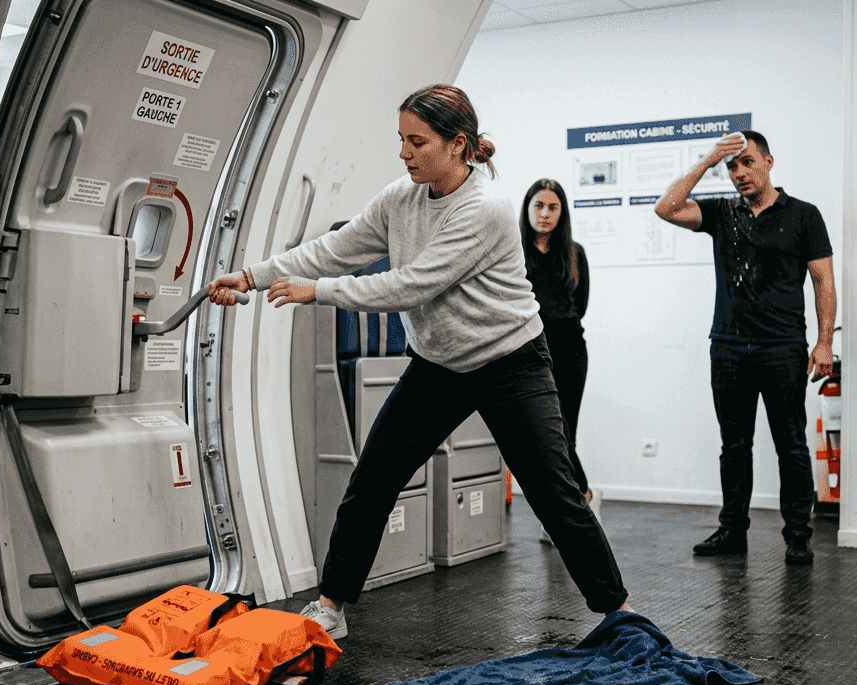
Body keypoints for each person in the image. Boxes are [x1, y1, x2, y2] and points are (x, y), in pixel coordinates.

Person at [209, 84, 632, 639]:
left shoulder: (486, 209)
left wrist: (316, 292)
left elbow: (412, 284)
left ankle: (618, 614)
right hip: (439, 366)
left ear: (459, 145)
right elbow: (336, 248)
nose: (404, 153)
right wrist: (253, 275)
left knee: (554, 492)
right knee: (373, 481)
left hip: (511, 363)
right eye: (401, 141)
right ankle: (331, 604)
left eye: (417, 141)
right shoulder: (399, 198)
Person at [653, 130, 836, 565]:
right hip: (729, 348)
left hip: (783, 348)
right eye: (731, 166)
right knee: (733, 445)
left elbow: (823, 281)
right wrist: (708, 159)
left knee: (790, 444)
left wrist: (824, 343)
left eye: (746, 162)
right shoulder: (720, 213)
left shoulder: (804, 215)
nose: (738, 173)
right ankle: (733, 529)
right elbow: (666, 208)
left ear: (768, 162)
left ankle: (797, 535)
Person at [518, 179, 601, 543]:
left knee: (567, 433)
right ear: (528, 209)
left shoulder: (574, 252)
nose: (545, 213)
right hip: (531, 352)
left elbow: (578, 307)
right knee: (547, 437)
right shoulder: (515, 250)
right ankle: (581, 497)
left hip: (570, 352)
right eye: (539, 206)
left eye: (553, 207)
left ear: (562, 212)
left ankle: (568, 510)